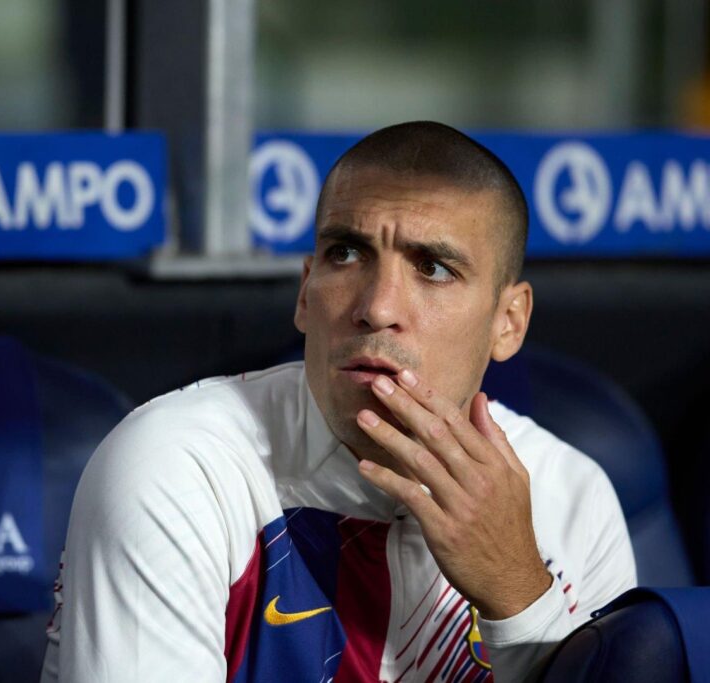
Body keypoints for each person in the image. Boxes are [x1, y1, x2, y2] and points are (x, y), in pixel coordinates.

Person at [41, 122, 636, 682]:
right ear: (305, 292)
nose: (377, 308)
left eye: (432, 268)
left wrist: (520, 596)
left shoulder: (574, 500)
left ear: (508, 322)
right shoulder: (177, 468)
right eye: (346, 255)